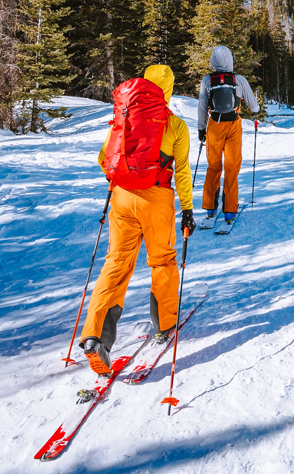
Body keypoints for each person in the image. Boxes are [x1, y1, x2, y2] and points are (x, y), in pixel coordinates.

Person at [79, 64, 195, 374]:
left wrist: (120, 182)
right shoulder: (175, 126)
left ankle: (95, 337)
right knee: (162, 261)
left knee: (116, 262)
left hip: (121, 197)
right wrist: (187, 209)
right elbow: (182, 172)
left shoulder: (124, 118)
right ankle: (165, 325)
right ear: (167, 91)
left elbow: (104, 157)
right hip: (156, 199)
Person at [198, 45, 260, 225]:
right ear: (231, 60)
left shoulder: (207, 81)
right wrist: (257, 109)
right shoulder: (239, 79)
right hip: (233, 125)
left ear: (213, 61)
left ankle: (210, 206)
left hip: (214, 125)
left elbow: (202, 107)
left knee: (213, 166)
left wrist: (201, 129)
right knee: (232, 167)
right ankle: (230, 211)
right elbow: (253, 105)